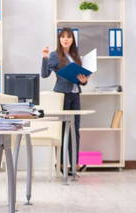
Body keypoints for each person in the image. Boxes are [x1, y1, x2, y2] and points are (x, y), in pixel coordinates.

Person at [41, 27, 89, 174]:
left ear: (73, 40)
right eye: (63, 37)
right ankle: (61, 164)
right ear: (59, 39)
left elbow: (80, 79)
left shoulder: (76, 56)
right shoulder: (55, 55)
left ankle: (75, 164)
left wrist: (84, 81)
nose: (66, 39)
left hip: (75, 95)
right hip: (62, 95)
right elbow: (44, 74)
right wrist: (44, 57)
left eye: (69, 37)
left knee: (75, 130)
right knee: (62, 131)